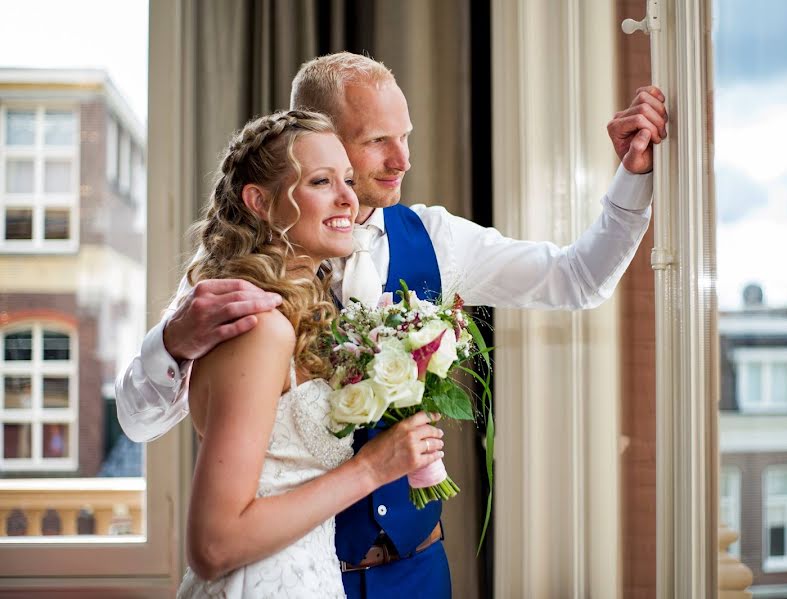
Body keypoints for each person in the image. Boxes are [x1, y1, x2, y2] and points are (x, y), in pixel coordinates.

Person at [116, 53, 667, 598]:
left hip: (414, 572)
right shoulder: (232, 282)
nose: (401, 159)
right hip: (286, 570)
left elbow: (577, 278)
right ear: (321, 135)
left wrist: (632, 178)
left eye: (406, 136)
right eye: (379, 139)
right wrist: (170, 343)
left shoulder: (436, 238)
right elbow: (141, 424)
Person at [173, 109, 446, 598]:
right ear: (259, 201)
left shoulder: (301, 312)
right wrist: (371, 469)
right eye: (321, 181)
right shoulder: (260, 330)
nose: (349, 196)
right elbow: (213, 545)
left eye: (347, 178)